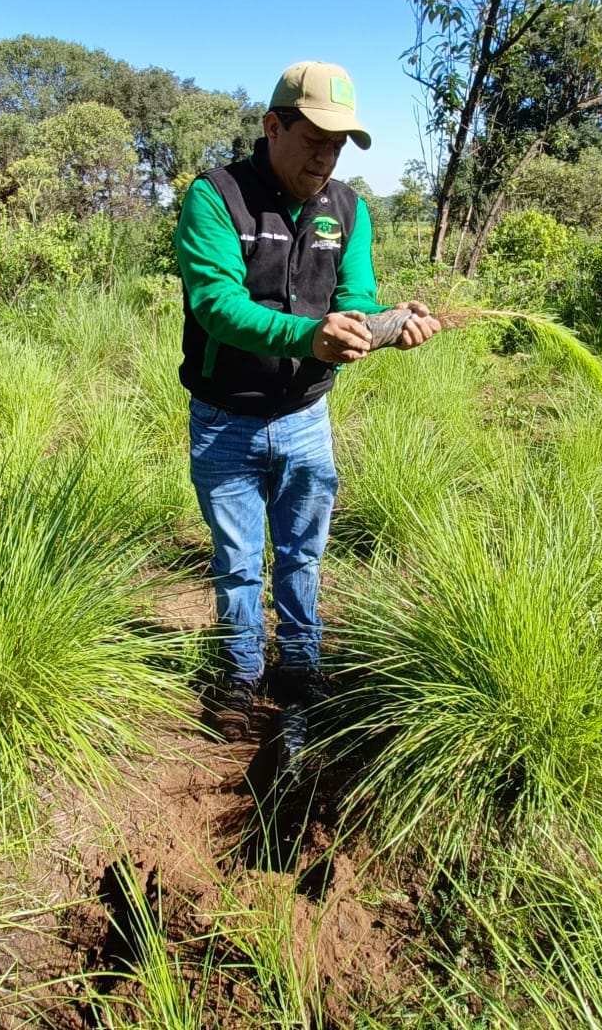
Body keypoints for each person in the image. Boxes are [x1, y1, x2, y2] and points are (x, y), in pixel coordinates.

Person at [173, 60, 440, 740]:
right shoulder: (217, 196)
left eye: (339, 143)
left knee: (302, 553)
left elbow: (353, 299)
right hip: (224, 422)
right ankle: (240, 672)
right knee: (237, 560)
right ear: (273, 126)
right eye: (314, 137)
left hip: (305, 421)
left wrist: (387, 327)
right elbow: (216, 306)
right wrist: (308, 337)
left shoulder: (348, 210)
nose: (327, 157)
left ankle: (301, 666)